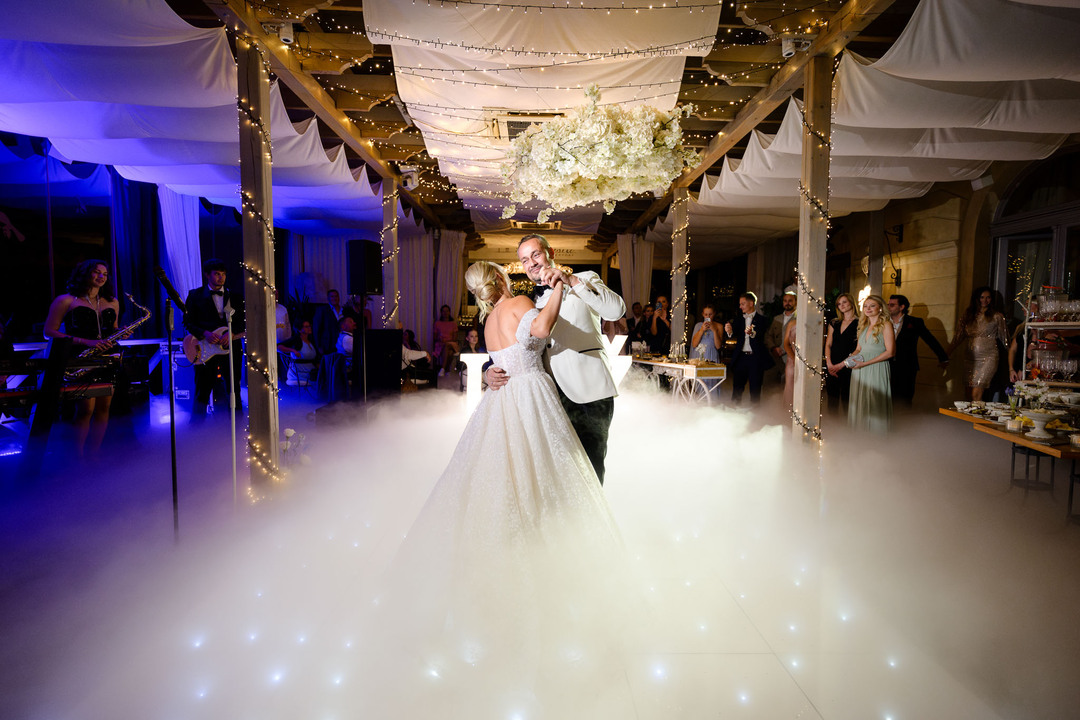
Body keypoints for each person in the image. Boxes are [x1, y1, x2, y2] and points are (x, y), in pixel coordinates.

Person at [486, 233, 626, 484]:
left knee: (591, 471)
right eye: (525, 260)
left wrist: (571, 280)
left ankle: (590, 524)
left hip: (588, 392)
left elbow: (616, 310)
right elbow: (516, 348)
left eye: (535, 254)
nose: (531, 263)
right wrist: (489, 371)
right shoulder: (529, 302)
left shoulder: (584, 279)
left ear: (552, 254)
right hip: (547, 399)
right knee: (557, 476)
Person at [43, 259, 123, 457]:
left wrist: (120, 332)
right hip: (80, 358)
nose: (101, 277)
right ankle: (77, 457)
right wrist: (85, 342)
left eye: (104, 274)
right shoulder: (66, 300)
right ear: (84, 274)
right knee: (86, 409)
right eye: (96, 272)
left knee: (105, 408)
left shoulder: (112, 301)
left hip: (106, 359)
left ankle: (93, 456)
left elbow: (112, 329)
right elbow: (49, 332)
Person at [183, 259, 244, 421]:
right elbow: (188, 322)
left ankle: (237, 427)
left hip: (230, 349)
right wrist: (205, 333)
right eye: (217, 274)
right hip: (204, 348)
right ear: (207, 275)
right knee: (202, 390)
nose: (221, 278)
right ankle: (196, 431)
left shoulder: (236, 297)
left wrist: (231, 333)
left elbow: (243, 321)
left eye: (223, 274)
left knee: (234, 388)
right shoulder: (195, 295)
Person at [947, 286, 1008, 402]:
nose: (985, 300)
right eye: (982, 297)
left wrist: (1012, 363)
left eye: (988, 297)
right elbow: (958, 338)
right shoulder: (968, 315)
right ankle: (969, 418)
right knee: (968, 395)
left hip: (989, 357)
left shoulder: (997, 316)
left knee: (976, 394)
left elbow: (1005, 340)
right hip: (970, 359)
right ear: (976, 298)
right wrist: (946, 353)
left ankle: (976, 419)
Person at [887, 294, 949, 406]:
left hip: (908, 366)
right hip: (887, 365)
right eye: (888, 305)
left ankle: (906, 421)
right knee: (888, 398)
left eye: (892, 305)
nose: (888, 307)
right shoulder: (884, 323)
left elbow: (930, 339)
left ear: (902, 307)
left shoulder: (915, 322)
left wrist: (943, 357)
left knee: (905, 399)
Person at [846, 295, 895, 433]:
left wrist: (866, 363)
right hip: (859, 368)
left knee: (875, 401)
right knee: (859, 401)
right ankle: (860, 435)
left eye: (872, 305)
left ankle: (876, 437)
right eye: (865, 306)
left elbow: (890, 352)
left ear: (880, 308)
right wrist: (851, 357)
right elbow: (858, 349)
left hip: (876, 367)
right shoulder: (863, 326)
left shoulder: (886, 325)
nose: (868, 309)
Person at [724, 292, 773, 404]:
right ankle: (734, 411)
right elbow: (733, 332)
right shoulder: (738, 319)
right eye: (740, 304)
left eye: (743, 304)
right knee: (737, 388)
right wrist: (729, 331)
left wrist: (752, 333)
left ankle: (755, 414)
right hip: (741, 357)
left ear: (751, 303)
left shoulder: (763, 320)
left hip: (755, 358)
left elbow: (761, 336)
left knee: (755, 389)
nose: (740, 306)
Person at [824, 293, 859, 412]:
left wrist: (842, 364)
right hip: (832, 364)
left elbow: (859, 348)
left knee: (847, 400)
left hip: (850, 364)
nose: (841, 305)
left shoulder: (861, 323)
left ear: (851, 302)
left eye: (844, 302)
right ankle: (833, 428)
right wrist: (829, 364)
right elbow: (828, 344)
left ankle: (847, 428)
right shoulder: (834, 322)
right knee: (832, 399)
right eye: (839, 304)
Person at [766, 289, 796, 381]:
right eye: (785, 301)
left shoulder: (798, 319)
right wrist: (773, 348)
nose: (787, 303)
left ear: (796, 302)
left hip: (791, 357)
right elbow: (768, 335)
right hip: (776, 357)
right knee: (769, 383)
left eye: (790, 301)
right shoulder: (777, 318)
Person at [278, 319, 318, 387]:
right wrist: (293, 350)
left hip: (310, 372)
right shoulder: (296, 340)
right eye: (306, 327)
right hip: (299, 373)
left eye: (309, 326)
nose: (309, 328)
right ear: (299, 329)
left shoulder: (311, 340)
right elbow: (279, 347)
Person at [313, 289, 353, 355]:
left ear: (339, 297)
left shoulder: (344, 310)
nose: (334, 298)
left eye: (336, 296)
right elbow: (316, 329)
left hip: (342, 344)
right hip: (328, 345)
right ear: (328, 298)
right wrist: (319, 346)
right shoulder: (322, 310)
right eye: (332, 296)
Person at [433, 304, 460, 377]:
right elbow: (435, 337)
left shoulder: (453, 324)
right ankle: (447, 370)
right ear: (441, 312)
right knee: (450, 352)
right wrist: (440, 339)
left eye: (447, 311)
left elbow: (454, 338)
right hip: (440, 344)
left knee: (448, 345)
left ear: (449, 312)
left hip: (451, 344)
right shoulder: (437, 323)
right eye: (443, 311)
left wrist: (447, 342)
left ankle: (442, 369)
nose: (445, 313)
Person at [783, 310, 797, 409]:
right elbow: (786, 344)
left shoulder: (818, 323)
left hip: (809, 362)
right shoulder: (792, 323)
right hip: (792, 360)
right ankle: (787, 412)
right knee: (790, 387)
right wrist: (795, 359)